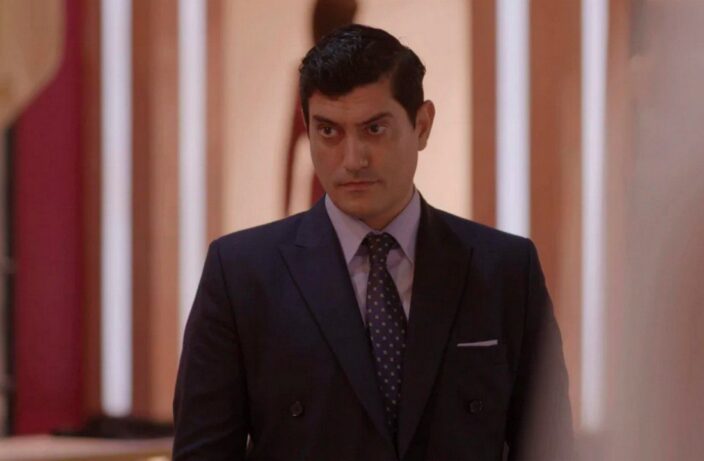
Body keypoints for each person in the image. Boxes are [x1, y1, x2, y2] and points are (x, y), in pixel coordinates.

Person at [173, 24, 574, 461]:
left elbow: (550, 449)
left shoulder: (506, 270)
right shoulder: (241, 275)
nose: (353, 159)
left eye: (374, 129)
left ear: (422, 125)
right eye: (329, 132)